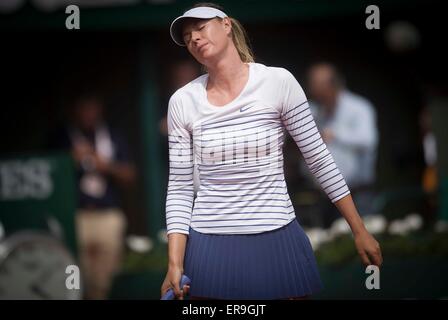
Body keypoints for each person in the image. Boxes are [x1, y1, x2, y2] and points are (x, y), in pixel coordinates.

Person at [161, 3, 382, 300]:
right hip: (208, 244)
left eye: (200, 28)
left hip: (277, 235)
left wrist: (359, 229)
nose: (194, 39)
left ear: (227, 25)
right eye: (187, 37)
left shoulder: (279, 82)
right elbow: (179, 186)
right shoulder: (182, 101)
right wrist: (174, 263)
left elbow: (318, 158)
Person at [49, 92, 136, 299]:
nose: (87, 113)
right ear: (73, 110)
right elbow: (47, 173)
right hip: (75, 217)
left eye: (91, 106)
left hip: (107, 215)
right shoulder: (60, 138)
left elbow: (130, 175)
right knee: (75, 278)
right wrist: (68, 161)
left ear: (99, 109)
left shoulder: (112, 136)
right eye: (82, 107)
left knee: (105, 281)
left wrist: (104, 165)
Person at [306, 63, 379, 227]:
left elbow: (368, 140)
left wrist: (336, 135)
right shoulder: (314, 109)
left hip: (357, 195)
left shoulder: (359, 108)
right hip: (324, 196)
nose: (314, 92)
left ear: (333, 86)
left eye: (319, 87)